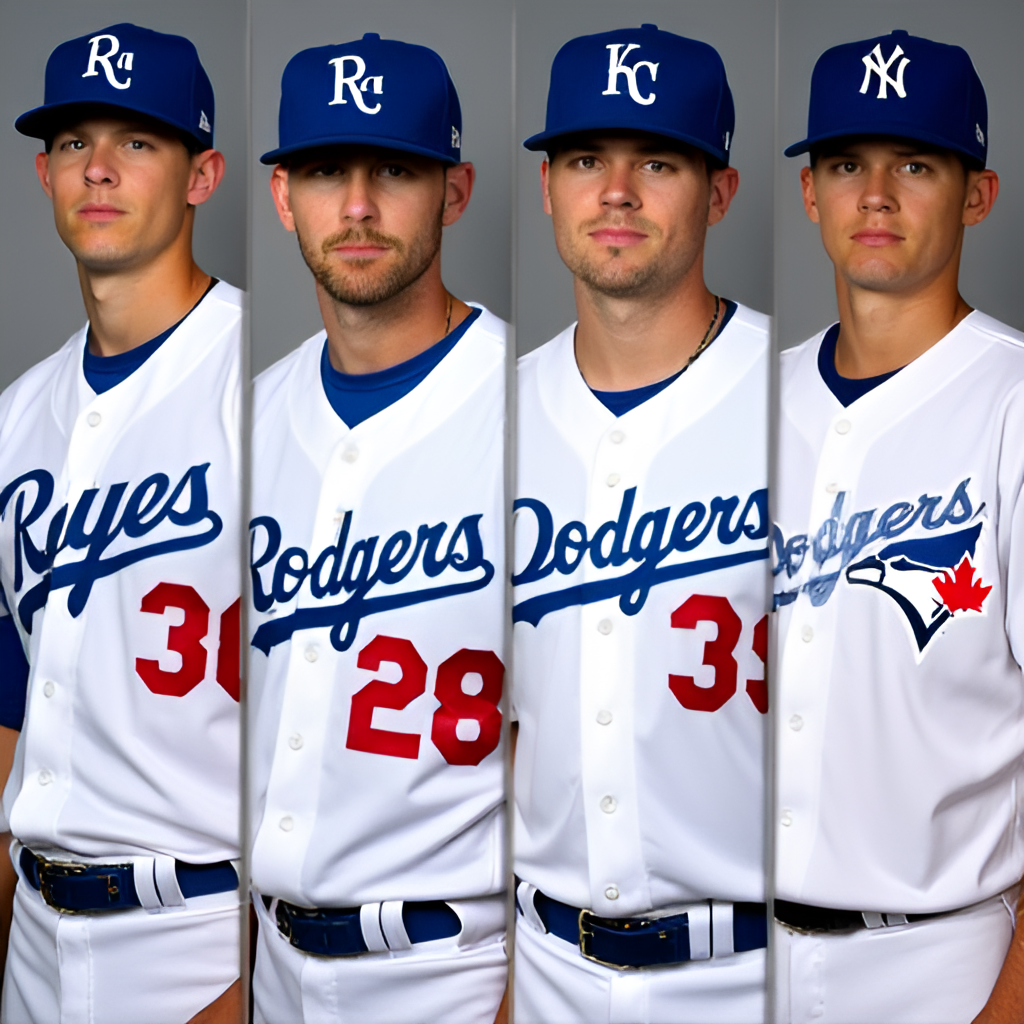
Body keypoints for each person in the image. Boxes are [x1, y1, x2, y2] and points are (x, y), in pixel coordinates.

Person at [512, 24, 770, 1024]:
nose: (614, 191)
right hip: (541, 972)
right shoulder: (488, 415)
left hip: (760, 975)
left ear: (719, 192)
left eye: (656, 160)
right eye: (584, 158)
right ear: (546, 187)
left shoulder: (800, 399)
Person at [248, 32, 508, 1024]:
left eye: (394, 169)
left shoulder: (535, 406)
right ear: (282, 198)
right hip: (269, 966)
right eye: (323, 171)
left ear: (454, 189)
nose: (356, 206)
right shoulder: (251, 420)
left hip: (453, 971)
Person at [773, 29, 1024, 1023]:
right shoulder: (747, 397)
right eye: (845, 165)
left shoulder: (1011, 402)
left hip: (936, 962)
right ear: (809, 195)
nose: (873, 197)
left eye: (913, 164)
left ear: (975, 196)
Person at [0, 22, 242, 1024]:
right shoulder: (18, 414)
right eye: (72, 144)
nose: (97, 170)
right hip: (34, 944)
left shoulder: (266, 383)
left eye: (136, 141)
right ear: (45, 174)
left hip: (198, 932)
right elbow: (15, 711)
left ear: (202, 175)